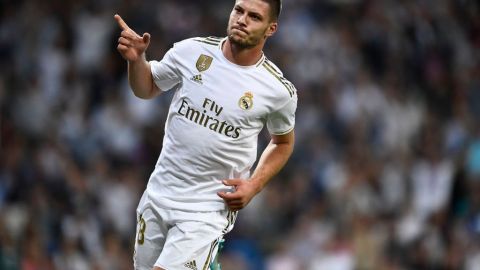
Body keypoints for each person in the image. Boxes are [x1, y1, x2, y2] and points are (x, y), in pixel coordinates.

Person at [114, 0, 297, 269]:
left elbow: (282, 142)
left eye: (254, 17)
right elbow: (147, 87)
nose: (242, 19)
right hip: (158, 193)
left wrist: (254, 185)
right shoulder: (192, 51)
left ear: (271, 28)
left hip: (207, 208)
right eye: (239, 10)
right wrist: (137, 61)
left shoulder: (277, 90)